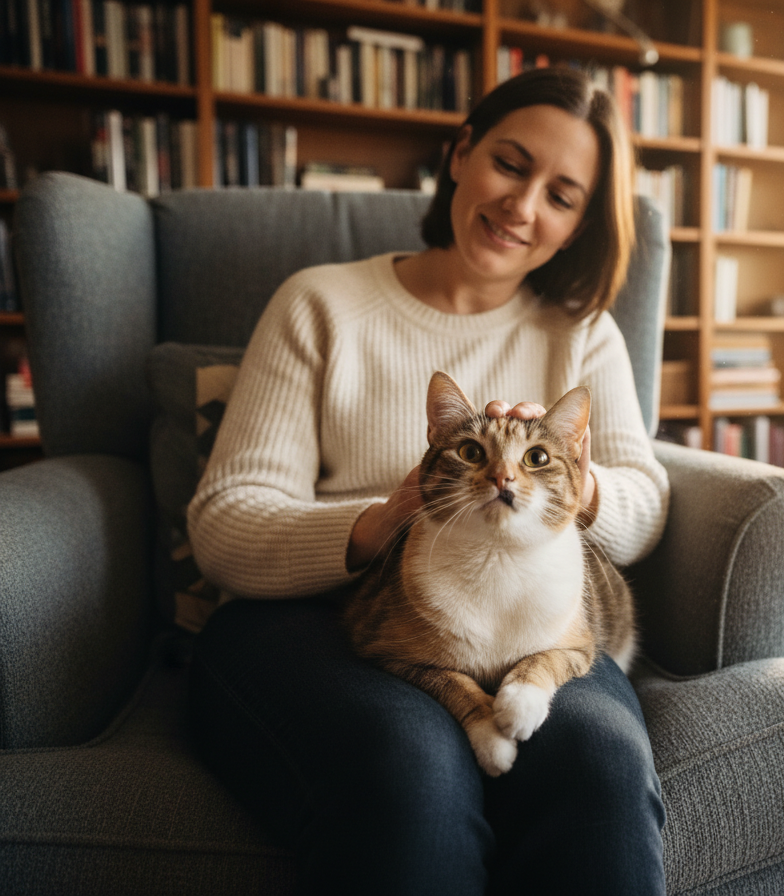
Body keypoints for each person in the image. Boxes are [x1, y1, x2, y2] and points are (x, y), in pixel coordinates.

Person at [186, 66, 670, 896]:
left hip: (522, 612)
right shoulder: (322, 304)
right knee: (409, 772)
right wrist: (384, 520)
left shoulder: (581, 334)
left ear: (580, 223)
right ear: (461, 152)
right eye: (511, 165)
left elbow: (645, 502)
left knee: (600, 769)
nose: (522, 207)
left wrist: (569, 481)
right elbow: (225, 522)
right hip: (312, 617)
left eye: (561, 195)